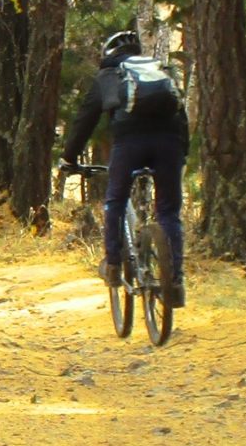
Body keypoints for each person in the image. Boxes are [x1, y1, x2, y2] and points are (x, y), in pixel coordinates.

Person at [59, 29, 189, 307]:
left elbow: (85, 121)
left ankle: (114, 266)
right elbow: (182, 115)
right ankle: (174, 283)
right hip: (169, 143)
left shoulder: (107, 77)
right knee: (168, 212)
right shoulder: (161, 73)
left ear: (107, 55)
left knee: (115, 201)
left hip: (130, 144)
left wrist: (69, 159)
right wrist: (183, 153)